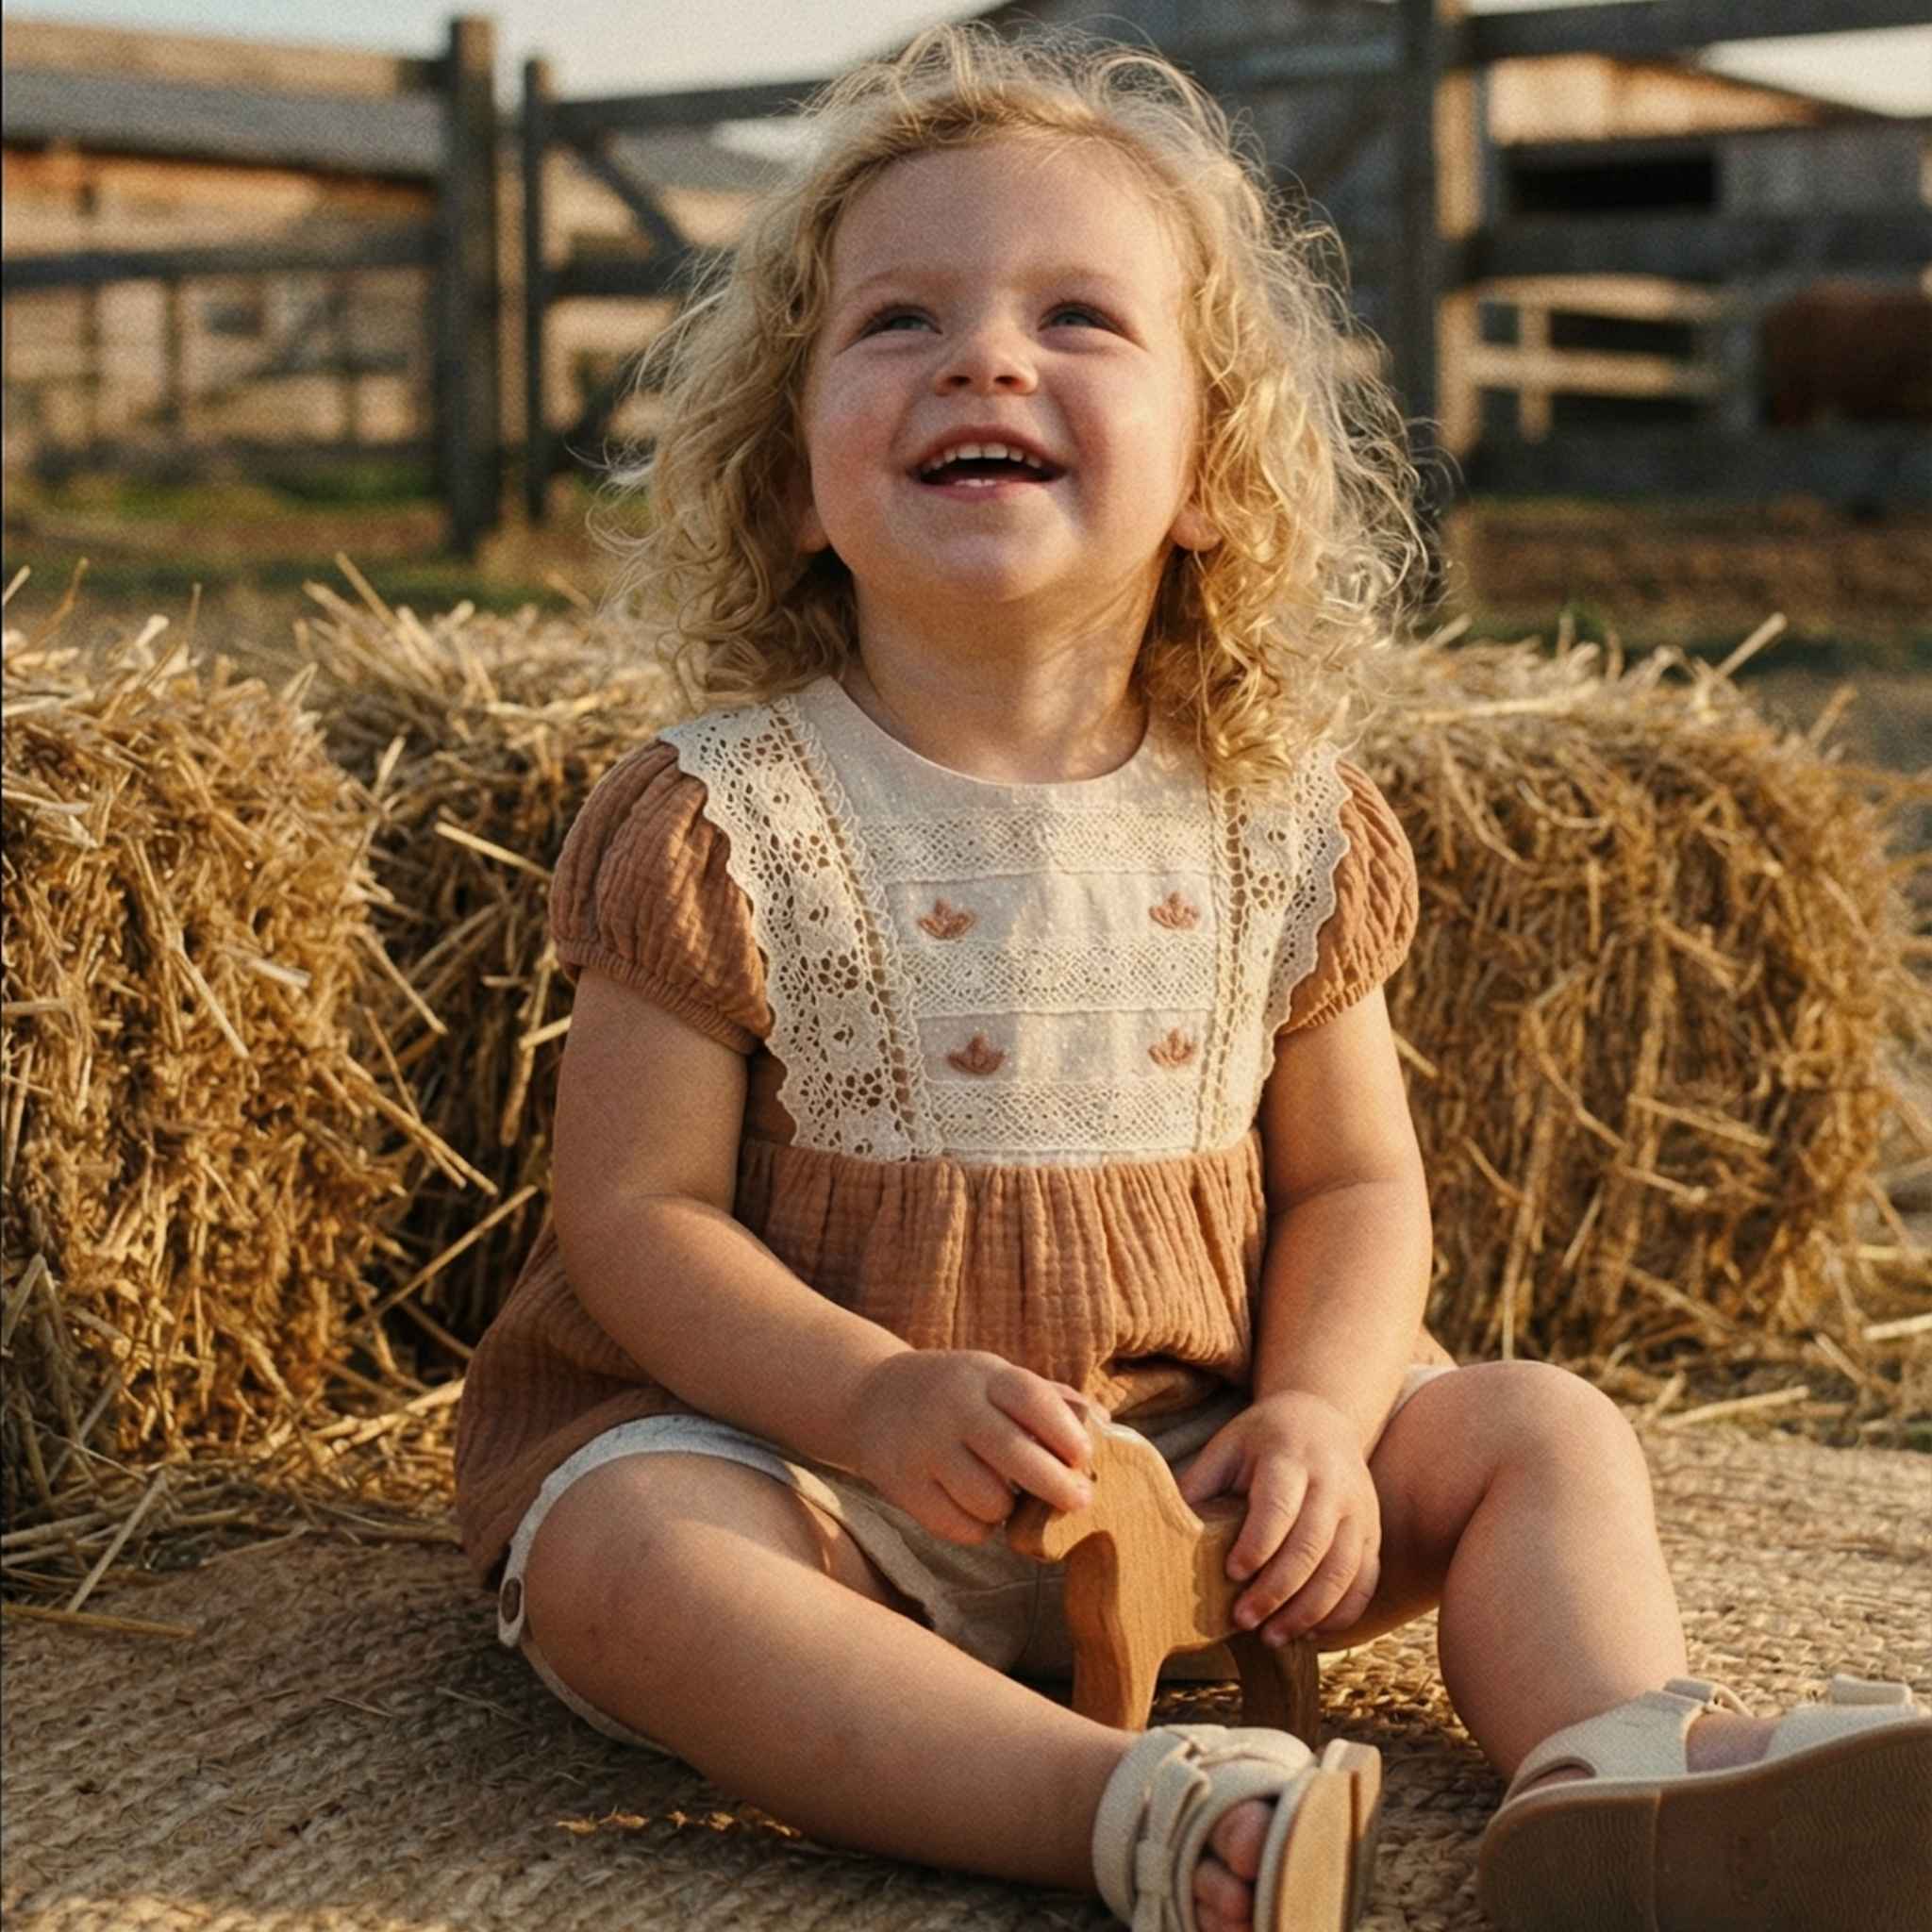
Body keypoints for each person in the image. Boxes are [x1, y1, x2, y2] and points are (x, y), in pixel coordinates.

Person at [454, 25, 1930, 1931]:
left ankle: (1615, 1765)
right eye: (899, 322)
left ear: (1217, 475)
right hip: (822, 1475)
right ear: (795, 476)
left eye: (1077, 316)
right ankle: (1125, 1807)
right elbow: (631, 1217)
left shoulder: (1283, 822)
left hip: (1208, 1485)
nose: (985, 355)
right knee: (634, 1552)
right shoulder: (720, 817)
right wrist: (872, 1397)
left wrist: (1317, 1416)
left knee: (1538, 1426)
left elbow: (1356, 1183)